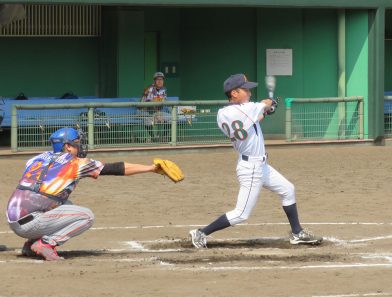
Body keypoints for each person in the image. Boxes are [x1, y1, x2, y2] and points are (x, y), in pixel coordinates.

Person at [189, 74, 322, 248]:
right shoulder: (245, 109)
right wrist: (270, 104)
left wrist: (265, 111)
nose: (250, 93)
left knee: (288, 189)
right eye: (245, 89)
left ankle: (297, 233)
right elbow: (264, 105)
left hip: (260, 165)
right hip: (251, 168)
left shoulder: (225, 113)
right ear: (234, 93)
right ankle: (201, 233)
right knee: (241, 214)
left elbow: (253, 119)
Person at [5, 127, 175, 261]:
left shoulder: (36, 159)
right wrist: (151, 168)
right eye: (77, 142)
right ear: (67, 146)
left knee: (65, 204)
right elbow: (115, 169)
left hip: (14, 217)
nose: (80, 145)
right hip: (30, 222)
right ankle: (46, 244)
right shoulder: (75, 163)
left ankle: (30, 244)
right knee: (86, 216)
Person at [139, 72, 168, 142]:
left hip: (156, 111)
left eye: (161, 79)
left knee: (170, 118)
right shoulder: (150, 88)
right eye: (158, 79)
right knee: (148, 121)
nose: (160, 81)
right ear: (154, 81)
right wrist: (157, 114)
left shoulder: (164, 90)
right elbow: (149, 104)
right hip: (144, 111)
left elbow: (162, 102)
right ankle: (152, 137)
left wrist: (158, 114)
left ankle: (163, 137)